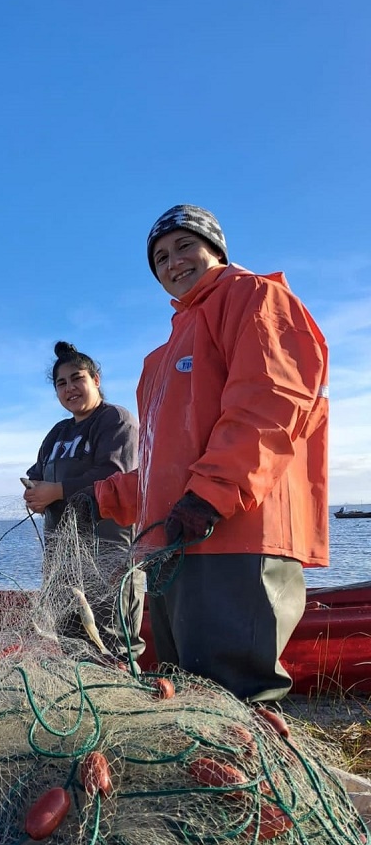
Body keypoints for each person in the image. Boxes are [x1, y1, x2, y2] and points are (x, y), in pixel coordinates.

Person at [95, 204, 329, 703]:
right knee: (187, 697)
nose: (173, 262)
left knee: (236, 696)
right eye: (159, 258)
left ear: (216, 249)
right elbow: (163, 465)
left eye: (185, 246)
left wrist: (209, 496)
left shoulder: (256, 298)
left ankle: (252, 783)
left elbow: (269, 406)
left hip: (235, 536)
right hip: (175, 546)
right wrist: (98, 496)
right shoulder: (164, 353)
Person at [24, 341, 145, 663]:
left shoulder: (115, 419)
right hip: (61, 552)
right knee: (69, 634)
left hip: (108, 548)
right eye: (61, 384)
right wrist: (34, 493)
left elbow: (113, 473)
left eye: (77, 378)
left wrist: (57, 491)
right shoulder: (58, 432)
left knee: (110, 635)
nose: (70, 389)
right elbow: (37, 474)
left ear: (96, 380)